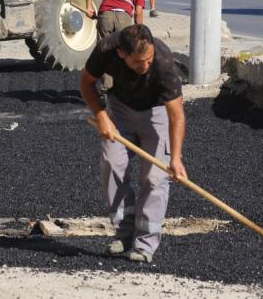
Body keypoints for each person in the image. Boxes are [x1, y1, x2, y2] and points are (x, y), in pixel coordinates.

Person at [79, 24, 187, 263]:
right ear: (121, 54)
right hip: (120, 108)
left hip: (156, 112)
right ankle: (124, 234)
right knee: (111, 163)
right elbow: (86, 82)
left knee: (155, 176)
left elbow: (176, 115)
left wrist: (176, 159)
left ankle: (145, 243)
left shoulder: (164, 63)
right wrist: (101, 115)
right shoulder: (106, 49)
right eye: (138, 62)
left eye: (148, 59)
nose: (145, 66)